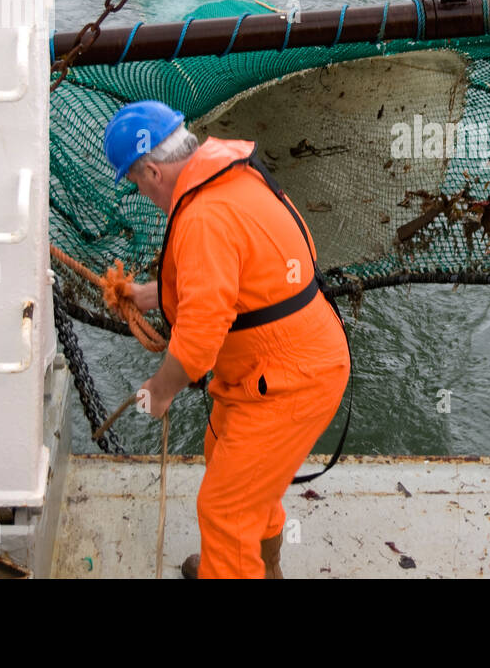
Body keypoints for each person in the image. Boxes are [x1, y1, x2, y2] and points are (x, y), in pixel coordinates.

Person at [103, 100, 350, 579]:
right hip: (274, 368)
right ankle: (261, 568)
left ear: (152, 171)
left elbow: (196, 347)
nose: (144, 193)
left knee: (225, 511)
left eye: (136, 184)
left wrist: (159, 391)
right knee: (229, 464)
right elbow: (225, 283)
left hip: (290, 382)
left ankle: (236, 567)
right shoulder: (231, 178)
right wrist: (143, 296)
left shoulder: (201, 218)